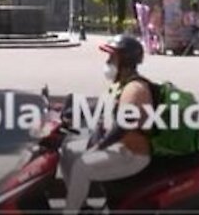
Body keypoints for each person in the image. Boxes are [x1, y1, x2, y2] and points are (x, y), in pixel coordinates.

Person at [61, 34, 153, 214]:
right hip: (119, 148)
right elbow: (102, 105)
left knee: (82, 165)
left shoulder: (135, 89)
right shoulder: (120, 84)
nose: (108, 62)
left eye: (112, 58)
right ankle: (83, 206)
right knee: (68, 152)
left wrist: (99, 147)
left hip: (132, 154)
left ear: (125, 62)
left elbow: (122, 126)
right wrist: (69, 111)